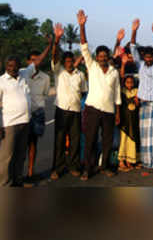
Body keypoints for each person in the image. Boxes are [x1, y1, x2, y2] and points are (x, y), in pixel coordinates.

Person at [0, 40, 52, 186]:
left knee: (20, 155)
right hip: (9, 124)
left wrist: (49, 44)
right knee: (6, 157)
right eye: (10, 65)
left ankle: (17, 180)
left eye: (16, 65)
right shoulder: (1, 81)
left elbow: (38, 60)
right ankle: (4, 184)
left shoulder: (23, 74)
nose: (13, 68)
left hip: (25, 122)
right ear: (6, 66)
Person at [77, 10, 121, 181]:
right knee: (90, 141)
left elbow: (117, 93)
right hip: (93, 109)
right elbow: (84, 47)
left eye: (105, 55)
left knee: (108, 142)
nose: (102, 58)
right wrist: (82, 26)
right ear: (97, 57)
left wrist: (117, 112)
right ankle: (88, 169)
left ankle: (105, 167)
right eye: (100, 56)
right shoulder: (92, 66)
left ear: (108, 57)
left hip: (109, 111)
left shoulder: (114, 72)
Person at [50, 23, 88, 180]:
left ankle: (73, 166)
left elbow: (84, 91)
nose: (69, 63)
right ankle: (57, 169)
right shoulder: (58, 72)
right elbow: (54, 56)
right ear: (63, 62)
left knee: (75, 141)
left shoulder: (80, 74)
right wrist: (57, 40)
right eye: (66, 61)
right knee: (59, 141)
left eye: (71, 60)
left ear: (73, 61)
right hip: (61, 110)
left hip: (76, 111)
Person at [130, 19, 153, 169]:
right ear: (144, 57)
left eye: (151, 57)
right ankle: (145, 162)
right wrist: (134, 31)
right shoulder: (140, 65)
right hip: (143, 102)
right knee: (144, 134)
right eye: (147, 57)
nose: (148, 59)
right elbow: (132, 48)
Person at [24, 49, 51, 183]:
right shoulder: (22, 74)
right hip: (23, 114)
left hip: (38, 113)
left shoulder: (45, 78)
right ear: (28, 62)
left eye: (38, 59)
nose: (35, 62)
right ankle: (17, 173)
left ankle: (30, 172)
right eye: (32, 60)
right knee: (21, 144)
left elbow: (46, 94)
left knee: (33, 143)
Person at [117, 72, 140, 172]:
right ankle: (121, 161)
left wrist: (136, 101)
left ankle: (130, 161)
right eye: (127, 82)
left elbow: (138, 104)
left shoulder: (136, 91)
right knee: (123, 140)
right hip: (124, 120)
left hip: (133, 120)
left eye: (131, 82)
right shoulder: (121, 91)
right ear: (124, 83)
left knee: (132, 140)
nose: (129, 84)